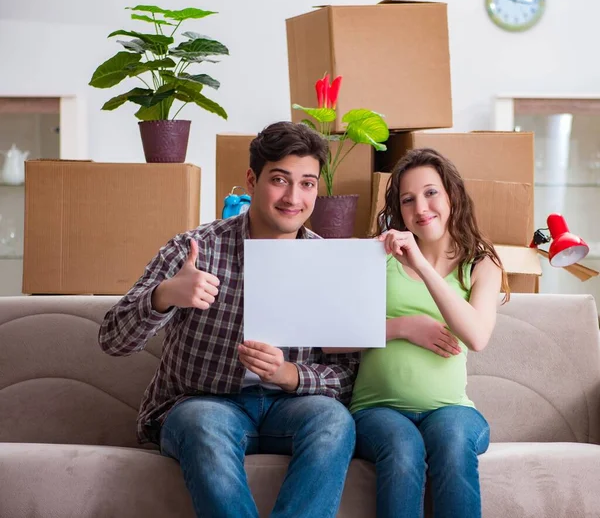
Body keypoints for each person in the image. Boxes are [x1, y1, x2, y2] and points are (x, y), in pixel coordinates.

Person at [98, 121, 360, 518]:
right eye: (280, 180)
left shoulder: (330, 263)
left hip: (291, 407)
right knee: (202, 422)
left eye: (307, 184)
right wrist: (165, 295)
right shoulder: (195, 249)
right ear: (252, 180)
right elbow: (112, 339)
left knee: (334, 422)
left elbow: (348, 373)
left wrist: (290, 374)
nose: (294, 197)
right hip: (204, 405)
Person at [323, 148, 508, 518]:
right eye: (408, 200)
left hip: (451, 411)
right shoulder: (379, 255)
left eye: (431, 193)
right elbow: (331, 340)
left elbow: (476, 336)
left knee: (454, 444)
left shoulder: (481, 264)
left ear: (452, 195)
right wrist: (402, 327)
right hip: (377, 410)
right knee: (403, 448)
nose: (421, 207)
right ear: (398, 210)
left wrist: (421, 264)